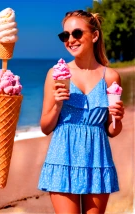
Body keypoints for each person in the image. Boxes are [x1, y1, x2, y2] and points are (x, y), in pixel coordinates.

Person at [38, 10, 125, 213]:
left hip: (97, 159)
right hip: (62, 158)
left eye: (77, 33)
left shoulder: (111, 77)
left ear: (94, 35)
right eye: (65, 35)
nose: (70, 40)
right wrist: (58, 105)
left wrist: (117, 119)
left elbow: (112, 130)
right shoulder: (56, 74)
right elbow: (45, 127)